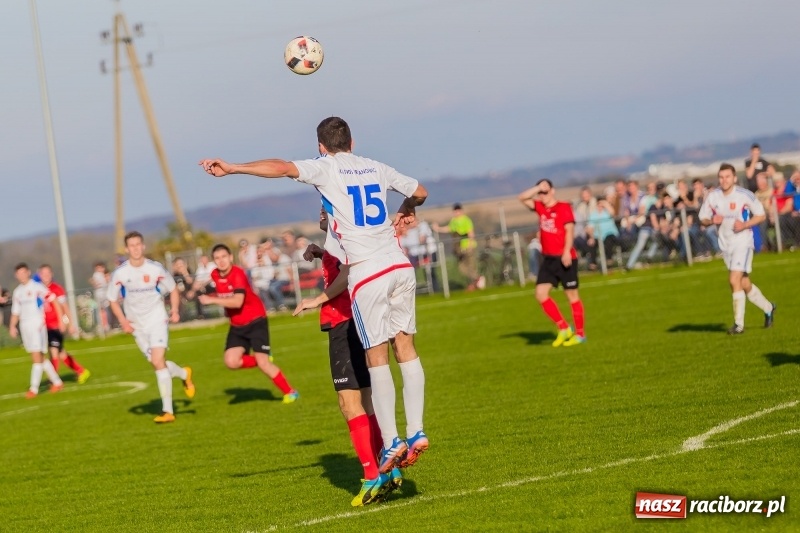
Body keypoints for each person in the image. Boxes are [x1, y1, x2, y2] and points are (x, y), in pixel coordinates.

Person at [199, 116, 430, 495]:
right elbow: (419, 191)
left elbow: (281, 167)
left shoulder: (326, 167)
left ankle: (391, 441)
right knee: (405, 346)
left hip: (368, 272)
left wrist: (235, 167)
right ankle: (417, 430)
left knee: (376, 357)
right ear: (352, 141)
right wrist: (408, 207)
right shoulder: (375, 166)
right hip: (400, 266)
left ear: (321, 147)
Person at [293, 207, 402, 506]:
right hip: (359, 317)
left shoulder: (342, 238)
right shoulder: (341, 238)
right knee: (365, 401)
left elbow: (348, 272)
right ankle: (388, 467)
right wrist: (322, 254)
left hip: (344, 321)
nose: (320, 213)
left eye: (325, 208)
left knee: (349, 403)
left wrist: (317, 299)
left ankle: (372, 477)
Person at [106, 231, 195, 423]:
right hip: (137, 326)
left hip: (157, 320)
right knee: (157, 363)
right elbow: (112, 299)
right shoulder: (121, 273)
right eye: (132, 245)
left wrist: (174, 310)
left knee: (157, 360)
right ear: (127, 249)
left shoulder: (155, 269)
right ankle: (183, 373)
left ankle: (168, 411)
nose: (136, 248)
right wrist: (123, 321)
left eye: (138, 244)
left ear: (143, 246)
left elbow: (173, 289)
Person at [198, 244, 299, 403]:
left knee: (264, 364)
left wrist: (212, 300)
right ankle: (261, 359)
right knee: (231, 362)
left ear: (231, 257)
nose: (221, 261)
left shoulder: (238, 274)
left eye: (224, 257)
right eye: (217, 258)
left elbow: (238, 301)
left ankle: (291, 392)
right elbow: (223, 292)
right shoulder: (214, 274)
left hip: (255, 320)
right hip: (237, 325)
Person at [698, 164, 776, 335]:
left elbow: (761, 215)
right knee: (744, 283)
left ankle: (738, 325)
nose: (724, 180)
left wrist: (745, 224)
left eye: (727, 176)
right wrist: (711, 220)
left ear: (734, 178)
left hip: (743, 242)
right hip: (725, 245)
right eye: (721, 177)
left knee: (734, 280)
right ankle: (769, 308)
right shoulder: (713, 196)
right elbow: (702, 218)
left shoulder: (743, 195)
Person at [518, 179, 586, 346]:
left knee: (572, 295)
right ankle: (564, 327)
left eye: (546, 191)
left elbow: (569, 231)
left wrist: (566, 251)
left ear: (553, 191)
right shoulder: (540, 208)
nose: (543, 195)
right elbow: (522, 198)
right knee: (540, 294)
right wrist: (537, 188)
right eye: (540, 193)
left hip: (565, 257)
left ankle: (580, 334)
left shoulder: (563, 207)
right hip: (548, 259)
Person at [9, 263, 65, 398]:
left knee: (36, 356)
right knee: (39, 356)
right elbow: (16, 312)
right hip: (25, 326)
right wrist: (12, 326)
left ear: (28, 272)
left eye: (24, 272)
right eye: (19, 274)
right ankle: (57, 382)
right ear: (16, 275)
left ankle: (33, 389)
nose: (22, 276)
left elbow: (54, 300)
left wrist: (61, 319)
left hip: (37, 324)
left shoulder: (37, 287)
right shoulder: (17, 292)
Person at [37, 264, 91, 384]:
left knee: (54, 352)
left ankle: (54, 380)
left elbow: (65, 307)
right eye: (43, 274)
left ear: (52, 274)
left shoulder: (57, 289)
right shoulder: (38, 289)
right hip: (45, 326)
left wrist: (70, 323)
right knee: (61, 353)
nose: (46, 276)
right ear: (40, 275)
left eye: (48, 273)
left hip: (56, 325)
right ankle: (81, 371)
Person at [434, 203, 480, 290]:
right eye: (455, 212)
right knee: (462, 268)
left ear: (461, 211)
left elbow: (471, 233)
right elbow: (449, 228)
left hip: (468, 246)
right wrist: (438, 229)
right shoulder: (454, 221)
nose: (456, 213)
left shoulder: (466, 220)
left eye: (458, 211)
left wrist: (470, 245)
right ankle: (477, 279)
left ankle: (475, 283)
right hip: (459, 248)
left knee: (471, 266)